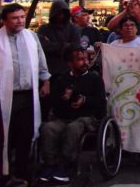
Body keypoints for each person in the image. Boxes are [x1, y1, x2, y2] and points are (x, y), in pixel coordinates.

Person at [0, 3, 51, 185]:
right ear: (4, 21)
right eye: (14, 18)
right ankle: (4, 174)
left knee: (25, 135)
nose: (20, 21)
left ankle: (22, 173)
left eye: (21, 17)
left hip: (28, 95)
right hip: (4, 97)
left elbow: (41, 62)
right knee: (4, 137)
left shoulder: (31, 37)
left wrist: (46, 81)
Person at [38, 45, 105, 184]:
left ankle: (65, 164)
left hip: (86, 118)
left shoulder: (94, 78)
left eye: (86, 59)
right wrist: (65, 99)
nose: (85, 62)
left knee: (73, 128)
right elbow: (54, 103)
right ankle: (50, 165)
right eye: (80, 60)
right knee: (48, 128)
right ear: (70, 63)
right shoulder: (62, 79)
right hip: (63, 117)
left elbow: (100, 102)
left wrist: (84, 100)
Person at [37, 0, 81, 80]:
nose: (61, 16)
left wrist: (53, 44)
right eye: (59, 13)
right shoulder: (44, 29)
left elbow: (75, 46)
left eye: (64, 13)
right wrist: (65, 45)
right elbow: (43, 46)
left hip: (68, 69)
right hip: (49, 69)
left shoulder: (73, 29)